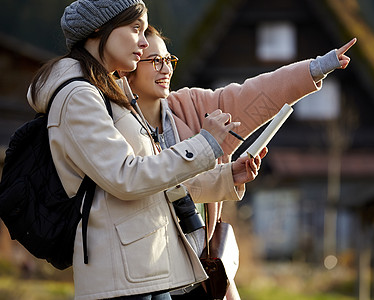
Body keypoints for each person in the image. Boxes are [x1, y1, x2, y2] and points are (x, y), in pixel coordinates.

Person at [26, 1, 257, 299]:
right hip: (121, 277)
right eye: (135, 29)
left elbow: (152, 172)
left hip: (144, 268)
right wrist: (204, 142)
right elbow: (126, 177)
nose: (144, 41)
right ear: (99, 30)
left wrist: (225, 177)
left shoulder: (107, 88)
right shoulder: (78, 96)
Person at [123, 25, 356, 299]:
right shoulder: (116, 126)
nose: (166, 69)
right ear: (129, 66)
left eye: (169, 60)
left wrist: (318, 67)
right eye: (155, 61)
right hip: (148, 277)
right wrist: (224, 174)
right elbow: (155, 184)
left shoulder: (191, 106)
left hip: (201, 272)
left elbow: (254, 93)